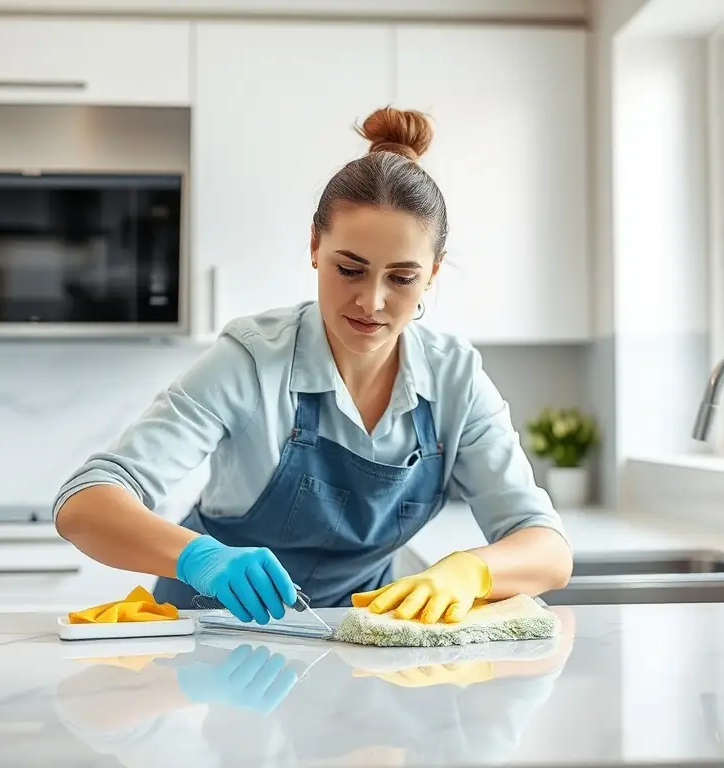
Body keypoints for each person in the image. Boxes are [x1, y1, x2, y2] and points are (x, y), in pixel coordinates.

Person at [52, 106, 573, 626]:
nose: (371, 301)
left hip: (350, 640)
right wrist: (200, 558)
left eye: (402, 278)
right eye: (350, 269)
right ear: (315, 247)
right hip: (210, 636)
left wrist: (471, 570)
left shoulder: (455, 380)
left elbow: (548, 549)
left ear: (432, 275)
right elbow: (84, 503)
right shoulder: (252, 360)